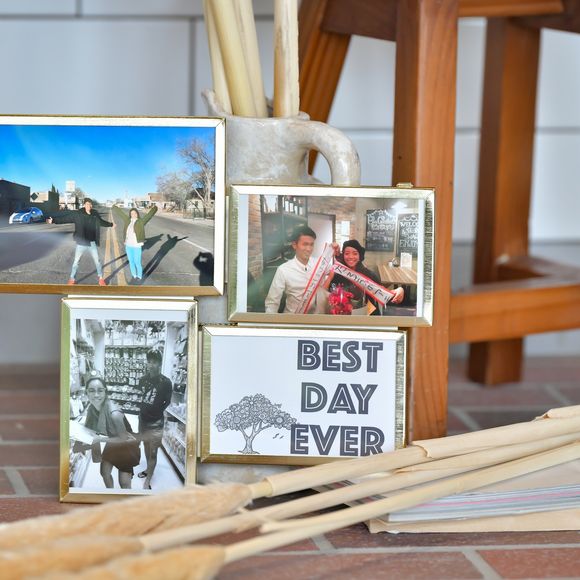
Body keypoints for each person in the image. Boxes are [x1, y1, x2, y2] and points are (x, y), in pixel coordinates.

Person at [82, 373, 140, 489]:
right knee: (104, 472)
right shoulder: (91, 409)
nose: (96, 395)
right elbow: (88, 429)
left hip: (126, 445)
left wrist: (100, 439)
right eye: (91, 391)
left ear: (105, 392)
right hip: (112, 441)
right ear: (86, 392)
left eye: (100, 390)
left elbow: (123, 438)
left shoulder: (114, 414)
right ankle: (110, 493)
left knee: (124, 482)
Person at [47, 198, 114, 286]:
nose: (89, 206)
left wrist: (111, 224)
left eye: (90, 204)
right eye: (87, 204)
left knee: (97, 261)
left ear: (91, 205)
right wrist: (54, 220)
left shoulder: (95, 214)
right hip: (81, 243)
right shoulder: (78, 214)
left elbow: (101, 222)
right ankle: (72, 279)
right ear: (84, 205)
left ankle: (101, 279)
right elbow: (66, 219)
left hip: (92, 242)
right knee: (76, 262)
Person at [328, 239, 405, 313]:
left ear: (360, 256)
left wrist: (399, 290)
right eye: (347, 253)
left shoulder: (369, 275)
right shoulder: (338, 275)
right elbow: (327, 295)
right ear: (343, 255)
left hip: (366, 316)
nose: (351, 257)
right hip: (342, 316)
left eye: (355, 253)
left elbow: (382, 293)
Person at [265, 225, 328, 314]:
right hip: (293, 318)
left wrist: (335, 252)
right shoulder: (284, 270)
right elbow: (272, 302)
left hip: (316, 318)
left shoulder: (319, 264)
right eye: (305, 244)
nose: (309, 249)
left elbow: (335, 270)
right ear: (294, 245)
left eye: (311, 244)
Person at [138, 349, 172, 490]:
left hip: (156, 422)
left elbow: (167, 401)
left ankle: (148, 481)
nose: (151, 365)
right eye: (149, 361)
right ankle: (148, 469)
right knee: (146, 446)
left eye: (154, 362)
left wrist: (157, 411)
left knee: (153, 452)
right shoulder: (142, 379)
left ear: (160, 364)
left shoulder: (166, 382)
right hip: (142, 420)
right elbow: (142, 397)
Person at [111, 205, 157, 283]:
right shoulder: (127, 220)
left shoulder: (141, 221)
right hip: (128, 245)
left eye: (135, 213)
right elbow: (121, 213)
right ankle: (134, 275)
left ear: (137, 213)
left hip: (136, 246)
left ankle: (139, 276)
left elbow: (149, 215)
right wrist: (114, 207)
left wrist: (155, 208)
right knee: (131, 261)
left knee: (137, 262)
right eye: (132, 213)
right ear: (130, 214)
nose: (133, 214)